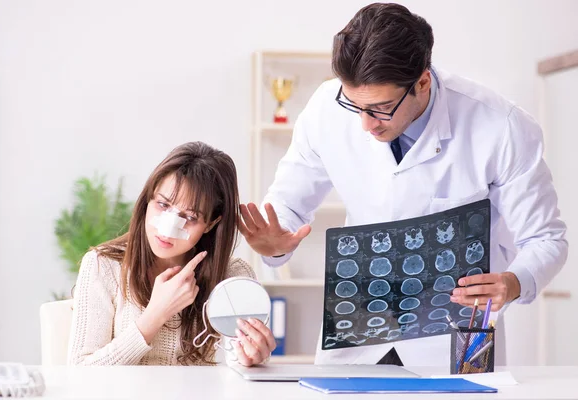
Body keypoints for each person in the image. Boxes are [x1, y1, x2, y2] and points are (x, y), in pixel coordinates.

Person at [239, 3, 567, 366]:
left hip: (461, 330)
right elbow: (287, 206)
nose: (366, 125)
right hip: (357, 323)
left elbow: (546, 239)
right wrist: (274, 243)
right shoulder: (324, 110)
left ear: (422, 82)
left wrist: (515, 282)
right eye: (354, 105)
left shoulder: (500, 126)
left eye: (380, 108)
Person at [68, 142, 276, 366]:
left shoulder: (232, 275)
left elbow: (237, 369)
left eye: (191, 217)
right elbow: (80, 371)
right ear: (148, 199)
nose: (167, 229)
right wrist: (156, 314)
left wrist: (254, 358)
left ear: (211, 223)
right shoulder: (103, 266)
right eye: (162, 204)